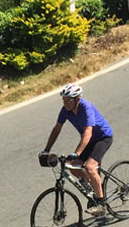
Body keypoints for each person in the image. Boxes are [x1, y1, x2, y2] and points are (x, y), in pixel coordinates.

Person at [42, 84, 115, 215]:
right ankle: (92, 185)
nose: (65, 103)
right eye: (64, 100)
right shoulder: (65, 110)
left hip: (102, 138)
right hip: (89, 140)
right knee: (70, 165)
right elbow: (57, 129)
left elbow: (88, 133)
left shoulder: (86, 107)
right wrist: (46, 150)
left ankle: (101, 203)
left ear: (78, 99)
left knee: (90, 167)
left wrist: (77, 153)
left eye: (69, 100)